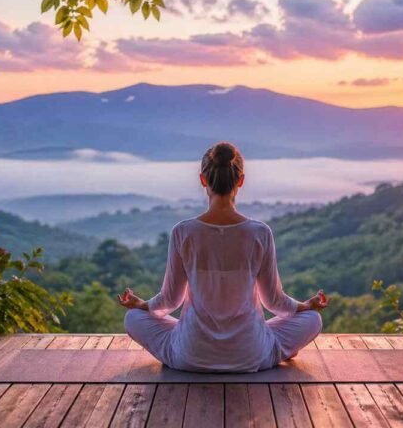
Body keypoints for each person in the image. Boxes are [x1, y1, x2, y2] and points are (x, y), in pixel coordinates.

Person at [117, 142, 328, 373]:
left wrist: (142, 305)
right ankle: (278, 350)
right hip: (250, 355)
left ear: (203, 180)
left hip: (190, 355)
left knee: (133, 318)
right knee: (312, 320)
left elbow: (170, 301)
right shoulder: (259, 233)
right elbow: (274, 302)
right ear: (240, 180)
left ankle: (211, 349)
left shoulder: (183, 232)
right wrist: (305, 306)